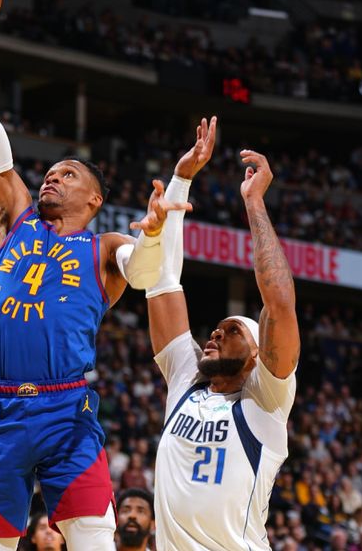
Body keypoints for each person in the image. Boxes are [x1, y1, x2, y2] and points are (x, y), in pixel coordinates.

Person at [0, 0, 190, 549]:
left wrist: (156, 232)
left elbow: (140, 274)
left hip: (66, 412)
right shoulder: (11, 216)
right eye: (50, 173)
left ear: (95, 198)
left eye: (67, 174)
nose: (51, 178)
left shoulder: (103, 243)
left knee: (93, 535)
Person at [145, 126, 300, 550]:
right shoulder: (185, 381)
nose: (216, 332)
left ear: (255, 356)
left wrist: (254, 203)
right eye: (217, 327)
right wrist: (181, 181)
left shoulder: (266, 401)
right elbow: (162, 283)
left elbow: (280, 303)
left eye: (232, 331)